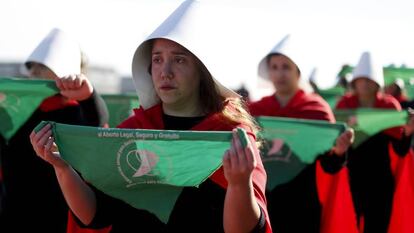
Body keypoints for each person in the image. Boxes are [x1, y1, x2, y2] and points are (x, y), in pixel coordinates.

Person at [30, 1, 271, 232]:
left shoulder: (230, 136)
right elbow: (95, 214)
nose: (165, 72)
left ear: (203, 71)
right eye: (157, 60)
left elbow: (243, 229)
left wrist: (240, 184)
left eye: (179, 60)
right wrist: (62, 168)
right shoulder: (133, 130)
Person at [0, 28, 108, 232]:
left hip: (57, 216)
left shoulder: (78, 112)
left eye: (41, 67)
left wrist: (88, 95)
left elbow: (98, 125)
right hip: (13, 214)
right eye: (32, 68)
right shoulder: (15, 111)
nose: (33, 73)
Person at [249, 35, 356, 233]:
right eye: (274, 67)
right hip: (262, 199)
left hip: (303, 200)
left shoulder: (316, 109)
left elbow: (329, 165)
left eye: (286, 67)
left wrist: (339, 152)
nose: (280, 73)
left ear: (298, 71)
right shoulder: (255, 110)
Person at [336, 51, 414, 233]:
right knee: (348, 225)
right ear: (354, 82)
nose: (364, 83)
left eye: (368, 79)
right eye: (360, 79)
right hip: (350, 177)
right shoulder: (344, 105)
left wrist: (408, 132)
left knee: (378, 226)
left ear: (377, 82)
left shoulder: (389, 106)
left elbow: (400, 150)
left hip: (380, 180)